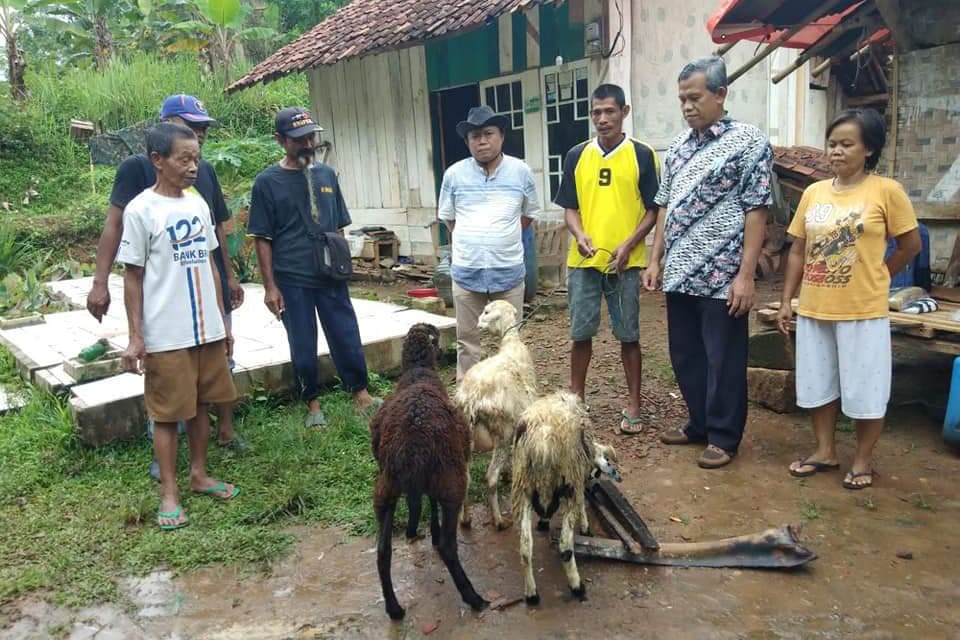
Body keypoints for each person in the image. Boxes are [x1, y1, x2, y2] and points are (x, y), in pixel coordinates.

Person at [86, 95, 246, 470]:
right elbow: (116, 229)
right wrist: (99, 282)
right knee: (168, 384)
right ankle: (166, 459)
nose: (200, 137)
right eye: (193, 127)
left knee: (215, 371)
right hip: (164, 306)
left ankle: (223, 433)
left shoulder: (201, 173)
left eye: (203, 131)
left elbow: (216, 231)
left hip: (204, 296)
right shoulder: (137, 173)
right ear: (167, 128)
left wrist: (230, 277)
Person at [777, 108, 920, 489]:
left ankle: (862, 458)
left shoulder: (886, 191)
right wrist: (787, 299)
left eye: (846, 144)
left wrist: (882, 274)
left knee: (865, 387)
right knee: (817, 382)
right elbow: (797, 250)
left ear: (868, 149)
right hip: (815, 306)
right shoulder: (814, 193)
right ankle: (825, 451)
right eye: (832, 144)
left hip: (862, 310)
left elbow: (910, 244)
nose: (836, 152)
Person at [643, 56, 773, 469]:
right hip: (681, 271)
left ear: (720, 94)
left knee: (724, 358)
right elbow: (664, 206)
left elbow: (757, 210)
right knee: (686, 355)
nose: (687, 106)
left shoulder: (749, 142)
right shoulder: (678, 146)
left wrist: (746, 276)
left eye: (694, 97)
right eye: (681, 99)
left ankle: (723, 436)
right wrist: (654, 258)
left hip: (723, 276)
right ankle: (698, 422)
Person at [118, 122, 239, 531]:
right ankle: (169, 491)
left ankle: (199, 474)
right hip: (165, 332)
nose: (192, 167)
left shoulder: (198, 204)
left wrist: (223, 319)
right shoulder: (140, 210)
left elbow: (209, 262)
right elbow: (132, 276)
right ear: (158, 160)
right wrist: (136, 336)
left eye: (196, 159)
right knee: (169, 415)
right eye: (183, 159)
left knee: (203, 404)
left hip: (205, 327)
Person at [247, 107, 379, 427]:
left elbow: (340, 226)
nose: (308, 144)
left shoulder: (326, 175)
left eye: (310, 137)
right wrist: (270, 287)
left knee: (345, 332)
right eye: (299, 139)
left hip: (330, 274)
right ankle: (312, 404)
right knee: (302, 341)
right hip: (292, 277)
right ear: (280, 140)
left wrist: (342, 263)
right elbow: (262, 238)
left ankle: (360, 394)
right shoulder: (267, 182)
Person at [554, 84, 660, 435]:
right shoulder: (576, 155)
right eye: (596, 112)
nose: (602, 119)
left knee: (628, 335)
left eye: (609, 111)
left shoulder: (642, 155)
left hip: (625, 263)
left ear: (624, 112)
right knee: (580, 334)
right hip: (583, 261)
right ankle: (576, 399)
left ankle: (633, 404)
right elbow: (570, 208)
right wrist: (579, 234)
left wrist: (629, 244)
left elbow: (652, 210)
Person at [437, 105, 540, 380]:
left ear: (501, 136)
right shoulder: (454, 175)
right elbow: (449, 219)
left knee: (510, 343)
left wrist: (501, 239)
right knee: (468, 342)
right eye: (474, 136)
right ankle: (469, 402)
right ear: (468, 141)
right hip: (467, 273)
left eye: (488, 134)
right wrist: (475, 240)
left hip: (508, 273)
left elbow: (528, 215)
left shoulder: (521, 172)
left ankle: (509, 399)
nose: (481, 141)